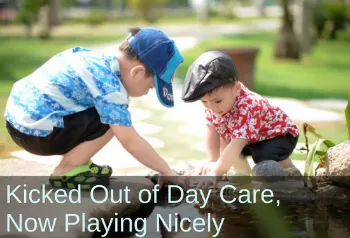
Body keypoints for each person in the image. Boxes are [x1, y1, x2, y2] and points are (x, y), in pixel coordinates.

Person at [4, 27, 189, 190]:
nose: (147, 93)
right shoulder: (110, 87)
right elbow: (129, 140)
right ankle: (67, 169)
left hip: (16, 122)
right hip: (35, 134)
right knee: (114, 121)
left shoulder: (95, 60)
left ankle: (79, 162)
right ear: (137, 72)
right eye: (150, 88)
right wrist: (166, 170)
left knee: (105, 112)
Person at [181, 51, 300, 189]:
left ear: (236, 89)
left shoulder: (248, 106)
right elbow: (212, 130)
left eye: (218, 101)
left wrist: (216, 173)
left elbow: (237, 144)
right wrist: (213, 161)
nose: (212, 108)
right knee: (226, 146)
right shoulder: (214, 105)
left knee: (263, 155)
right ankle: (245, 178)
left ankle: (293, 176)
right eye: (204, 102)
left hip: (278, 135)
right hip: (251, 138)